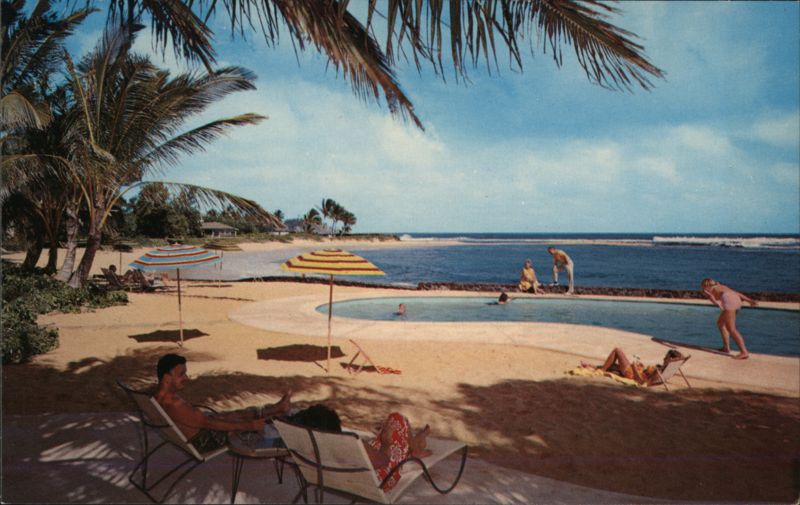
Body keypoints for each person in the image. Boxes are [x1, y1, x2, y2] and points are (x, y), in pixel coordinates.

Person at [154, 354, 292, 452]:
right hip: (206, 441)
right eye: (181, 374)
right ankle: (275, 413)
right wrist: (249, 426)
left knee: (232, 415)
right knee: (237, 418)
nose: (186, 378)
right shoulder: (174, 405)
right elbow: (210, 424)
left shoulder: (158, 397)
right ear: (167, 377)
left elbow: (201, 420)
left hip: (202, 429)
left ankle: (276, 410)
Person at [289, 405, 430, 492]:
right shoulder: (353, 445)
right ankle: (414, 447)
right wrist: (386, 443)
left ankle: (413, 444)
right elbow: (384, 460)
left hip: (338, 477)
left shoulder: (310, 446)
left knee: (386, 432)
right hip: (380, 480)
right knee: (397, 419)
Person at [700, 278, 757, 359]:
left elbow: (712, 298)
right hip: (736, 300)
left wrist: (717, 304)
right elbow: (736, 293)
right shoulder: (722, 286)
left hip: (729, 301)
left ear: (706, 285)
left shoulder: (707, 290)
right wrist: (749, 300)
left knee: (731, 329)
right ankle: (726, 348)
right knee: (720, 323)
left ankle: (744, 352)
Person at [594, 347, 686, 386]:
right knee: (612, 365)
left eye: (666, 357)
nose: (664, 358)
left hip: (631, 374)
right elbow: (646, 374)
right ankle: (595, 367)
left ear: (669, 359)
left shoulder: (659, 373)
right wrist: (642, 367)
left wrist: (634, 368)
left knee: (617, 351)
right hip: (637, 371)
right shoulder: (664, 370)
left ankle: (601, 370)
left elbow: (642, 382)